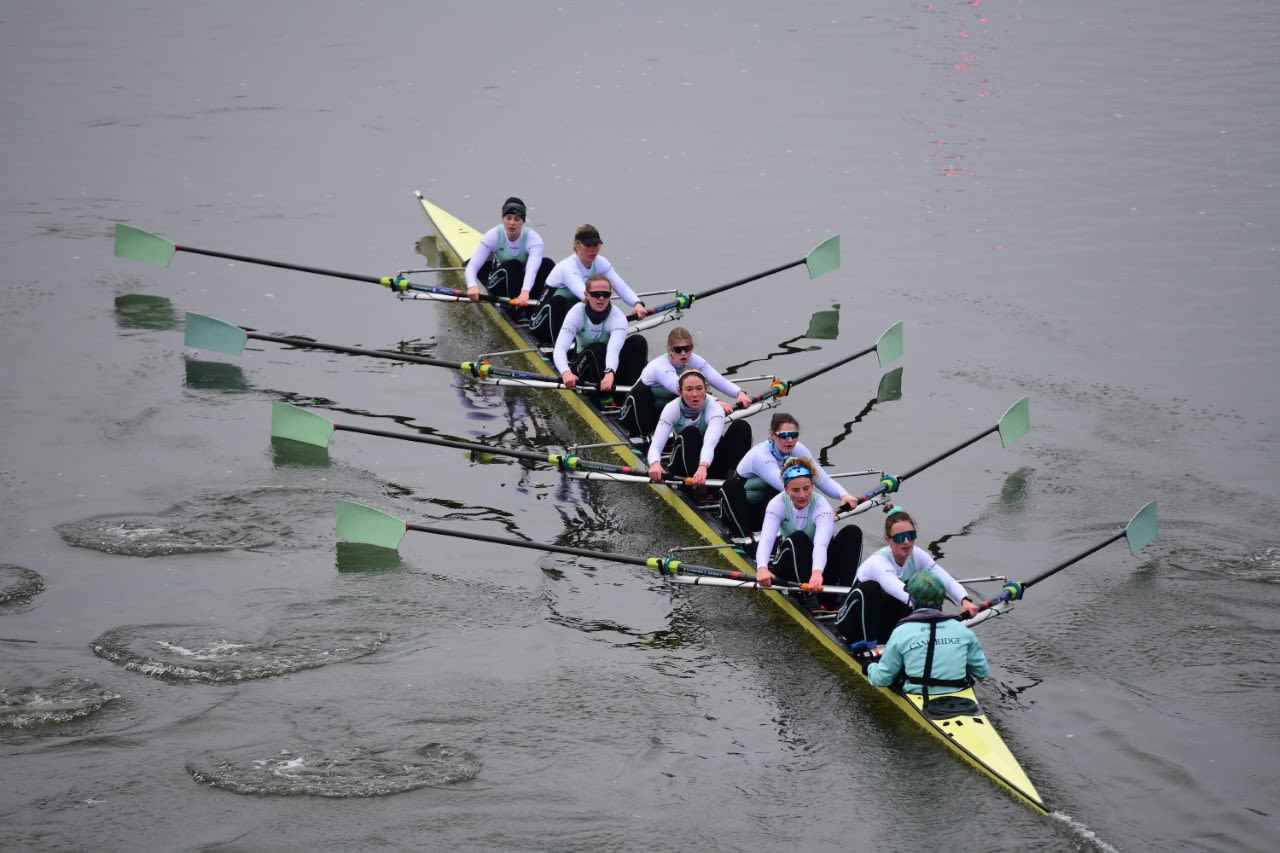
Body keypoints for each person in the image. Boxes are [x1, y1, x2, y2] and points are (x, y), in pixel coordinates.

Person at [834, 508, 980, 646]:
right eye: (899, 537)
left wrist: (964, 600)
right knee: (873, 588)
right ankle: (870, 648)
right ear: (888, 539)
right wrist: (931, 612)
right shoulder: (878, 563)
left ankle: (919, 642)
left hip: (880, 621)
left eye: (910, 536)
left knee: (929, 584)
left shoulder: (917, 554)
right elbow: (896, 588)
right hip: (852, 625)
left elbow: (944, 578)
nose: (906, 542)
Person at [720, 413, 861, 540]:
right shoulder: (761, 456)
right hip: (740, 512)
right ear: (771, 435)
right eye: (783, 435)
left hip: (766, 512)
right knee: (733, 485)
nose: (789, 440)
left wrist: (844, 495)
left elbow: (821, 479)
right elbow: (785, 486)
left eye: (794, 435)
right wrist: (821, 509)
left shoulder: (798, 449)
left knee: (794, 488)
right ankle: (744, 539)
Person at [752, 456, 862, 608]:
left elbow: (821, 544)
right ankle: (809, 598)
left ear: (812, 486)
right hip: (789, 565)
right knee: (799, 538)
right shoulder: (777, 504)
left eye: (806, 488)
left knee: (852, 532)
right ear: (785, 489)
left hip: (817, 564)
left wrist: (817, 572)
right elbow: (766, 540)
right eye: (795, 490)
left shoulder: (822, 506)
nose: (802, 495)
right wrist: (762, 568)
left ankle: (843, 596)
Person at [866, 572, 989, 698]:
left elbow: (881, 680)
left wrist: (870, 667)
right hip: (959, 691)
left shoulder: (901, 632)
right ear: (941, 599)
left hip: (919, 694)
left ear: (912, 600)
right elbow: (982, 672)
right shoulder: (964, 632)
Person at [618, 326, 754, 437]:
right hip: (634, 414)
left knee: (697, 390)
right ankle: (646, 437)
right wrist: (716, 401)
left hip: (662, 415)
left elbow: (717, 379)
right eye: (678, 349)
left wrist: (739, 393)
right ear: (669, 350)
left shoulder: (694, 360)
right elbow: (679, 387)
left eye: (687, 348)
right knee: (686, 392)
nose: (683, 353)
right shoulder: (660, 366)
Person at [530, 224, 649, 345]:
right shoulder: (567, 267)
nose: (593, 249)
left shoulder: (601, 262)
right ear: (577, 245)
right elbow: (584, 295)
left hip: (568, 321)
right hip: (541, 323)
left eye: (596, 245)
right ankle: (559, 348)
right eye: (588, 245)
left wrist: (637, 303)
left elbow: (620, 286)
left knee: (598, 300)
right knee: (566, 301)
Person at [646, 368, 752, 491]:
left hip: (708, 463)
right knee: (690, 433)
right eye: (689, 389)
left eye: (699, 388)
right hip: (682, 466)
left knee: (741, 427)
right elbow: (656, 445)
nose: (695, 394)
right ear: (680, 392)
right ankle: (698, 491)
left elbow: (710, 443)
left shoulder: (714, 409)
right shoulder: (672, 408)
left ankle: (733, 484)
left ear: (705, 390)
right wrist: (655, 463)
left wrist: (702, 467)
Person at [552, 273, 648, 406]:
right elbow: (560, 348)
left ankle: (629, 396)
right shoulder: (577, 313)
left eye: (605, 294)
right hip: (583, 367)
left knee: (638, 342)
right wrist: (565, 372)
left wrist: (609, 373)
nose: (601, 298)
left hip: (609, 370)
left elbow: (613, 350)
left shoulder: (618, 317)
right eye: (595, 294)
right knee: (596, 349)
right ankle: (606, 399)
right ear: (586, 295)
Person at [464, 197, 555, 309]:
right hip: (498, 281)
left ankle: (537, 307)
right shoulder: (493, 235)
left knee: (547, 264)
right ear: (503, 219)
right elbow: (472, 267)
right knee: (513, 265)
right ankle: (517, 311)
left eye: (517, 219)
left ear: (523, 221)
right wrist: (472, 286)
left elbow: (532, 270)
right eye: (508, 218)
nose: (512, 223)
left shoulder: (534, 240)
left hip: (523, 284)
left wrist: (525, 292)